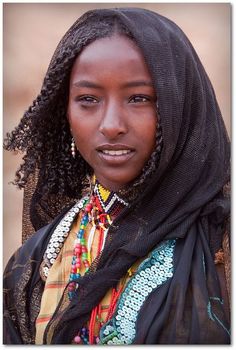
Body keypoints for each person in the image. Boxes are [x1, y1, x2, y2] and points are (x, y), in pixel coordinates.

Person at [3, 7, 230, 344]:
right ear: (63, 111)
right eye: (88, 99)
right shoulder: (35, 261)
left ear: (178, 105)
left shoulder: (220, 242)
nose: (111, 125)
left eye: (139, 98)